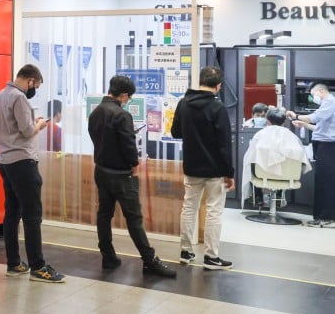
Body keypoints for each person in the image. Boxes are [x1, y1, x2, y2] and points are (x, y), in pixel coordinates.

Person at [87, 75, 176, 277]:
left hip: (101, 170)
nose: (128, 101)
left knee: (104, 214)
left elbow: (97, 137)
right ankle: (149, 260)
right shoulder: (122, 115)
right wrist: (135, 166)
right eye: (128, 98)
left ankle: (108, 256)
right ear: (124, 95)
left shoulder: (97, 112)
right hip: (121, 175)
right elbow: (128, 146)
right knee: (134, 218)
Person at [0, 65, 65, 283]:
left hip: (5, 160)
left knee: (12, 212)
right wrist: (40, 125)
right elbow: (26, 131)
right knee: (32, 215)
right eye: (36, 85)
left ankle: (14, 263)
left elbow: (15, 128)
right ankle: (38, 266)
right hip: (23, 161)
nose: (34, 90)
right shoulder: (19, 98)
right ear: (31, 80)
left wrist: (32, 124)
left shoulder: (2, 94)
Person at [171, 66, 235, 270]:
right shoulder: (218, 108)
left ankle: (186, 251)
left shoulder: (183, 103)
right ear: (218, 86)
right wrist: (229, 172)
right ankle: (211, 256)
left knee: (189, 207)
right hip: (215, 170)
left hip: (191, 166)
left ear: (199, 82)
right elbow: (224, 144)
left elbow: (175, 132)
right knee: (214, 211)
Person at [245, 106, 312, 208]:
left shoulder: (260, 135)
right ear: (284, 122)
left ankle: (258, 197)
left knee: (251, 165)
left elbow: (249, 158)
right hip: (287, 177)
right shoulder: (292, 137)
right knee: (283, 165)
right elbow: (303, 160)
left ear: (267, 121)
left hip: (262, 175)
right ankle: (278, 196)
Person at [289, 82, 335, 227]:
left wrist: (295, 115)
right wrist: (304, 125)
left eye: (313, 94)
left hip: (328, 147)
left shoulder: (330, 102)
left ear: (320, 91)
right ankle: (320, 217)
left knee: (326, 182)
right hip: (323, 145)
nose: (313, 97)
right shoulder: (327, 105)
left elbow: (313, 118)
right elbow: (318, 127)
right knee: (321, 181)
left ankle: (327, 218)